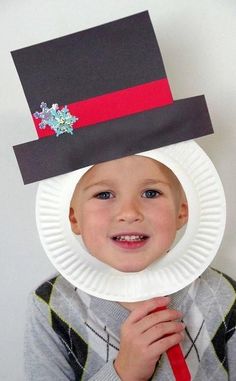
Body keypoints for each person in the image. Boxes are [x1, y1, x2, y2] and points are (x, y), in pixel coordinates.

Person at [25, 155, 236, 381]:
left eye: (151, 193)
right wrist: (124, 372)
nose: (129, 213)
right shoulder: (51, 306)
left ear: (181, 213)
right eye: (104, 194)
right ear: (74, 218)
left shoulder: (224, 296)